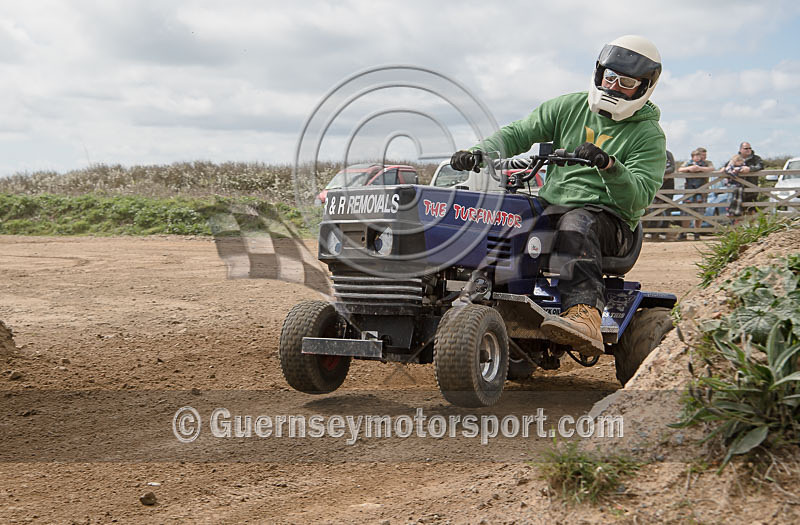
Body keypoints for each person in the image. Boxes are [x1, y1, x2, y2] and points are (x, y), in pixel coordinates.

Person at [450, 35, 665, 357]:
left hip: (614, 224)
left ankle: (585, 314)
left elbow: (637, 199)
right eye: (610, 78)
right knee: (508, 218)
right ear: (598, 74)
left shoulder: (648, 136)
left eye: (626, 83)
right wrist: (479, 152)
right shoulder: (569, 106)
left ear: (644, 86)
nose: (615, 88)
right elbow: (519, 132)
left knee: (577, 223)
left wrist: (609, 165)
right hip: (555, 208)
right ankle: (477, 297)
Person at [677, 147, 714, 238]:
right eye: (702, 155)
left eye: (704, 155)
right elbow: (680, 169)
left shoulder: (707, 163)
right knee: (686, 212)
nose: (703, 157)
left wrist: (699, 168)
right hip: (689, 190)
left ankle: (697, 231)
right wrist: (690, 168)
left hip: (702, 190)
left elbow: (712, 168)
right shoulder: (689, 162)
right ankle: (684, 232)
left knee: (699, 212)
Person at [723, 142, 763, 213]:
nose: (748, 150)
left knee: (752, 211)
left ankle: (752, 224)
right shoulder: (735, 158)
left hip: (751, 188)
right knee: (738, 212)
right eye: (746, 148)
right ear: (741, 149)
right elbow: (726, 167)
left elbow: (760, 166)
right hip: (738, 189)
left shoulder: (756, 158)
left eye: (750, 148)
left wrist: (749, 169)